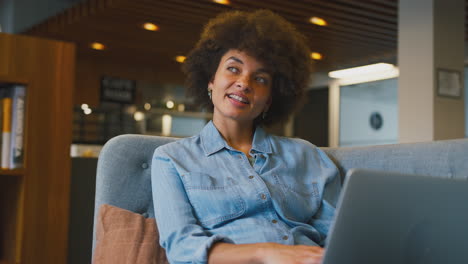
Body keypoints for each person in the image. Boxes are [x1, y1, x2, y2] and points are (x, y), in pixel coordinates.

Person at [151, 9, 341, 264]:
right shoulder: (171, 159)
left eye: (260, 78)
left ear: (270, 98)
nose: (244, 82)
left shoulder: (309, 156)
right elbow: (182, 248)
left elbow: (338, 238)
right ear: (211, 80)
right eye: (233, 68)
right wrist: (266, 253)